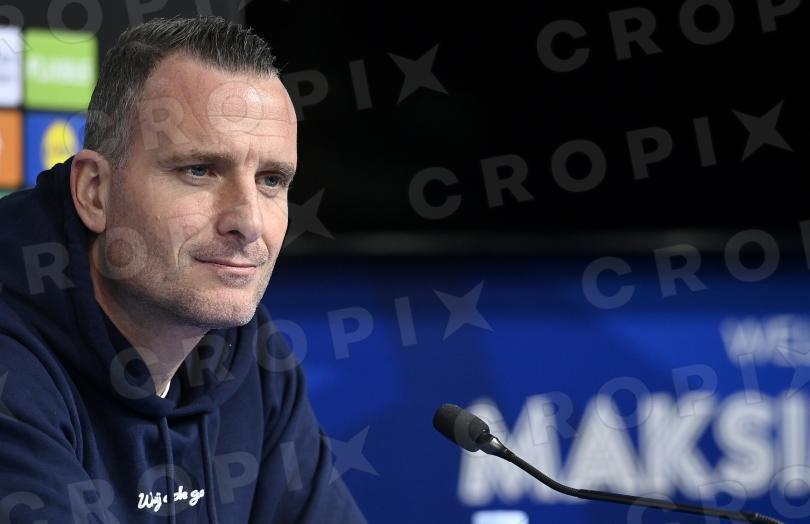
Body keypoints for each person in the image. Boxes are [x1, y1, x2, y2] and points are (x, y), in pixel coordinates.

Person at [0, 15, 366, 523]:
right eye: (200, 170)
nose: (248, 222)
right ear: (95, 192)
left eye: (271, 180)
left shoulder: (248, 354)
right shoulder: (11, 367)